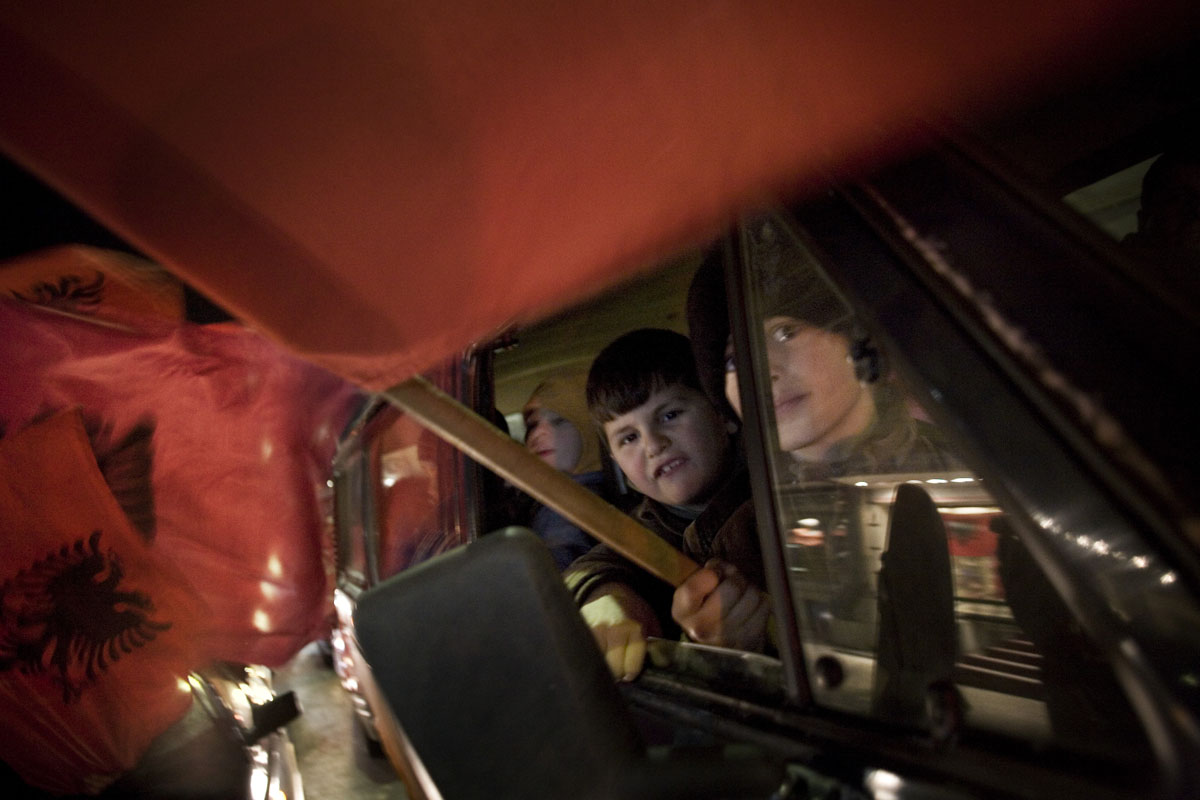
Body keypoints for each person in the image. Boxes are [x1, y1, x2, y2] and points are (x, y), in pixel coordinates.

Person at [563, 328, 770, 682]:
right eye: (629, 437)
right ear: (620, 467)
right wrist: (608, 600)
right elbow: (595, 566)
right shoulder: (647, 530)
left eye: (670, 415)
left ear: (722, 413)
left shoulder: (775, 489)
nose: (653, 444)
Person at [521, 372, 607, 569]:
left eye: (559, 420)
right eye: (532, 425)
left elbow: (558, 561)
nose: (536, 435)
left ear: (587, 426)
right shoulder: (560, 492)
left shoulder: (572, 502)